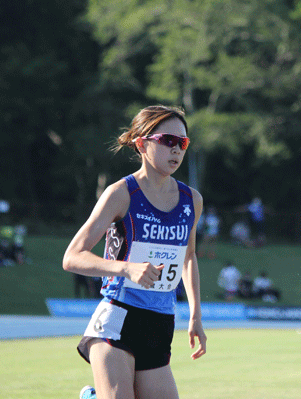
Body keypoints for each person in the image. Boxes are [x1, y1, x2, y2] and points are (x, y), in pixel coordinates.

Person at [63, 105, 206, 399]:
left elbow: (188, 257)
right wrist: (126, 268)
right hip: (118, 318)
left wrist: (196, 315)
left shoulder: (192, 200)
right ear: (142, 143)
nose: (176, 150)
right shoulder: (121, 194)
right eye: (168, 140)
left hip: (160, 323)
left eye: (183, 143)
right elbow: (73, 256)